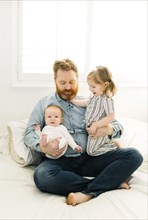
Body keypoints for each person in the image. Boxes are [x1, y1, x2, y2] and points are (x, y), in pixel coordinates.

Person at [24, 58, 143, 206]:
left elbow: (118, 126)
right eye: (62, 83)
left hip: (92, 158)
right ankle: (108, 183)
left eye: (72, 82)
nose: (68, 87)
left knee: (134, 155)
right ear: (55, 80)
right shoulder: (44, 103)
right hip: (60, 161)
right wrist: (41, 147)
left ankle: (88, 191)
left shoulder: (90, 101)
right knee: (42, 176)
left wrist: (108, 129)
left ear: (77, 80)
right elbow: (29, 132)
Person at [70, 66, 128, 189]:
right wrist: (74, 102)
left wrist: (97, 125)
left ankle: (112, 146)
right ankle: (109, 145)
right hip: (91, 130)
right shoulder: (93, 97)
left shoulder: (107, 100)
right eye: (89, 86)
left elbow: (111, 116)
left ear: (105, 85)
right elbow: (86, 103)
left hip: (98, 129)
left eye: (93, 87)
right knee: (92, 150)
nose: (90, 89)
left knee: (91, 151)